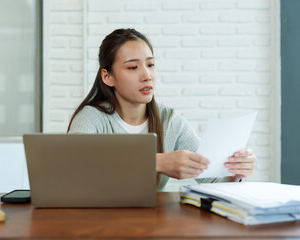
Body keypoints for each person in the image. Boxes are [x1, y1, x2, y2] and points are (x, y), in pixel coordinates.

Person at [67, 28, 257, 191]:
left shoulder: (170, 121)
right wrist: (157, 162)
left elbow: (212, 180)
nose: (147, 75)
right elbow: (75, 168)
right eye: (133, 67)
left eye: (151, 65)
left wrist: (234, 173)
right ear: (107, 77)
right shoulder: (91, 118)